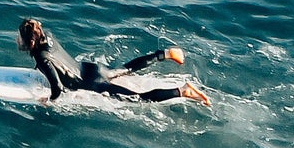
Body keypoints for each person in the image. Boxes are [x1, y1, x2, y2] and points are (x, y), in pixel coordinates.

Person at [17, 19, 209, 107]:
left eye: (21, 39)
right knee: (125, 69)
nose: (18, 41)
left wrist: (48, 101)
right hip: (91, 69)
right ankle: (166, 54)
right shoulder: (46, 35)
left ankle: (182, 91)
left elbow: (57, 88)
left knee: (140, 98)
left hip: (91, 83)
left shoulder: (41, 58)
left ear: (30, 42)